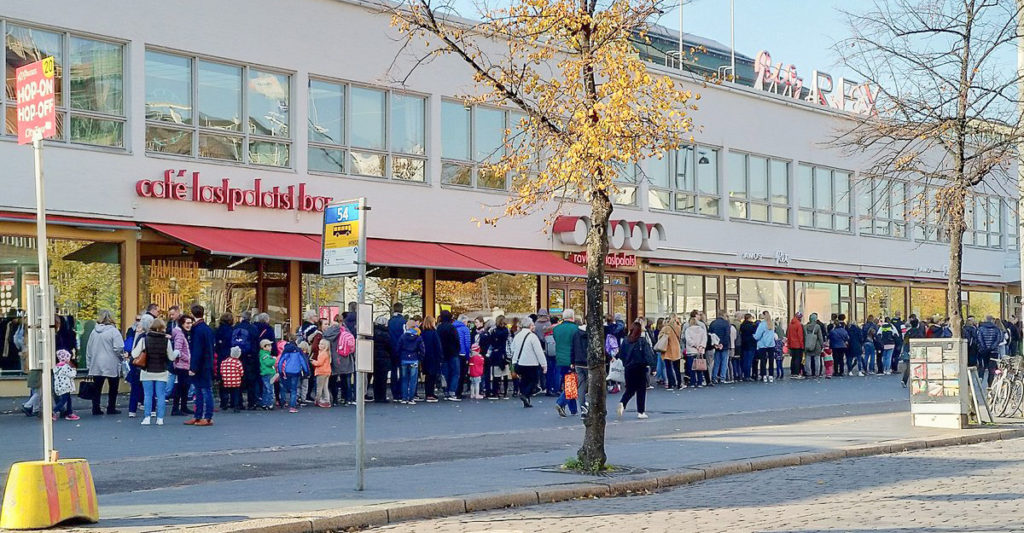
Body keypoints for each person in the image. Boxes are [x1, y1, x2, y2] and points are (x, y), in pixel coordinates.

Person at [132, 318, 178, 426]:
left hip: (147, 371)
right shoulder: (166, 341)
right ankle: (160, 419)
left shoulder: (144, 339)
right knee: (161, 395)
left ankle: (147, 417)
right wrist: (177, 352)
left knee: (148, 395)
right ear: (162, 328)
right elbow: (171, 357)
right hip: (161, 371)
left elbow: (134, 354)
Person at [85, 309, 125, 416]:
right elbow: (119, 347)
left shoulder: (94, 332)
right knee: (113, 387)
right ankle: (111, 407)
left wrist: (89, 364)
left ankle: (96, 408)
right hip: (111, 362)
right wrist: (121, 357)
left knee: (97, 388)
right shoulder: (114, 331)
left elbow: (89, 349)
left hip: (96, 363)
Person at [617, 320, 657, 419]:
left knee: (630, 389)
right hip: (640, 367)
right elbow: (648, 355)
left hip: (628, 368)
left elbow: (621, 354)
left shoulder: (626, 341)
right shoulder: (642, 341)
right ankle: (641, 411)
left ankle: (623, 402)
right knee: (641, 390)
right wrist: (652, 366)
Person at [186, 305, 216, 426]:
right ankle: (199, 415)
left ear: (192, 314)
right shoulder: (206, 328)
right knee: (201, 390)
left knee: (204, 390)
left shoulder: (197, 330)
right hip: (206, 363)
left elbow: (197, 350)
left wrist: (193, 367)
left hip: (201, 365)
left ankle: (206, 417)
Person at [511, 316, 547, 408]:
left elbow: (513, 349)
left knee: (524, 380)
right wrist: (543, 364)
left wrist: (514, 361)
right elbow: (538, 352)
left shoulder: (517, 336)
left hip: (519, 362)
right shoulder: (532, 337)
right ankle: (526, 395)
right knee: (533, 381)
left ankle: (525, 398)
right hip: (531, 363)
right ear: (530, 325)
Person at [277, 339, 310, 413]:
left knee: (284, 387)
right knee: (294, 389)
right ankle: (292, 407)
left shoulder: (286, 350)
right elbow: (303, 362)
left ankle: (283, 402)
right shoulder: (298, 351)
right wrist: (306, 372)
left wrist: (280, 371)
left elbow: (281, 361)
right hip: (296, 371)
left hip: (287, 371)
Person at [169, 315, 193, 416]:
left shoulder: (182, 333)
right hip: (181, 365)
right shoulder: (180, 335)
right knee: (181, 387)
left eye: (190, 323)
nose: (189, 325)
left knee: (183, 387)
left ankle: (183, 407)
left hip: (182, 365)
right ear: (182, 323)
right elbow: (177, 350)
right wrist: (187, 358)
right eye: (187, 323)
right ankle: (177, 408)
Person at [396, 319, 425, 404]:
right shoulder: (418, 337)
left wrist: (399, 357)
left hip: (404, 359)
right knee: (413, 380)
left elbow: (398, 348)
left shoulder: (403, 336)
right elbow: (422, 349)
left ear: (407, 326)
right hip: (414, 359)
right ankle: (411, 398)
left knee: (404, 379)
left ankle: (404, 398)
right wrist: (420, 358)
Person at [437, 310, 462, 401]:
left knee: (445, 373)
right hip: (453, 353)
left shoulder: (439, 328)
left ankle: (446, 391)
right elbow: (456, 340)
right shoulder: (452, 328)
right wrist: (457, 350)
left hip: (443, 353)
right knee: (455, 373)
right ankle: (452, 391)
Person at [552, 309, 578, 395]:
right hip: (572, 359)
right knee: (571, 385)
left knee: (564, 379)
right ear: (572, 317)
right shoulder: (576, 329)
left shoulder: (556, 329)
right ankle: (563, 403)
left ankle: (559, 393)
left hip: (560, 358)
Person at [214, 312, 235, 409]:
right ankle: (233, 400)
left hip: (221, 356)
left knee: (222, 378)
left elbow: (216, 345)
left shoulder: (218, 330)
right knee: (232, 378)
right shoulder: (232, 330)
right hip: (231, 356)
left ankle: (224, 401)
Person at [52, 349, 79, 421]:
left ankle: (69, 412)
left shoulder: (56, 367)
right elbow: (72, 375)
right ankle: (54, 411)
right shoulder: (66, 367)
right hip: (66, 386)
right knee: (64, 400)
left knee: (68, 399)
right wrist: (73, 368)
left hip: (60, 386)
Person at [488, 316, 511, 399]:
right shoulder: (506, 330)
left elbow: (491, 342)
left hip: (496, 354)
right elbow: (509, 341)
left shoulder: (493, 330)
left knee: (496, 375)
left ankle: (495, 392)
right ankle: (505, 392)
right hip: (504, 354)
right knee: (505, 374)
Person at [977, 315, 1003, 386]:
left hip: (984, 351)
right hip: (994, 351)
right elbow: (999, 339)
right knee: (992, 369)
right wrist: (992, 347)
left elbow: (979, 338)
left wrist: (984, 347)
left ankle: (980, 379)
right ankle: (990, 385)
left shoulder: (981, 328)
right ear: (992, 320)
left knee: (983, 366)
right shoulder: (996, 329)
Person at [684, 313, 708, 387]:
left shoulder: (688, 330)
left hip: (691, 351)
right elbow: (704, 339)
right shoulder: (702, 330)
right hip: (700, 351)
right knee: (700, 367)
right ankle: (700, 382)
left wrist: (695, 345)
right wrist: (701, 346)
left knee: (692, 368)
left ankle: (693, 382)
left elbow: (688, 340)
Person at [660, 315, 683, 389]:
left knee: (668, 367)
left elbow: (660, 337)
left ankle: (670, 384)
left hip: (667, 348)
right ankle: (679, 384)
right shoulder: (678, 327)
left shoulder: (666, 328)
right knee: (677, 368)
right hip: (676, 348)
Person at [902, 316, 925, 387]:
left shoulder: (908, 332)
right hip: (918, 350)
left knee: (908, 366)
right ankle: (918, 381)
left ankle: (904, 380)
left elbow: (905, 342)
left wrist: (905, 350)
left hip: (909, 350)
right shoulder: (919, 332)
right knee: (919, 366)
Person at [709, 311, 731, 384]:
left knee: (716, 362)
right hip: (724, 345)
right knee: (724, 362)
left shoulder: (713, 323)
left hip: (715, 345)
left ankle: (714, 377)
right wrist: (722, 343)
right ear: (723, 315)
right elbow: (727, 335)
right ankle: (722, 377)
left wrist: (716, 344)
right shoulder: (726, 323)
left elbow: (710, 334)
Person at [754, 311, 777, 383]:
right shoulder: (772, 324)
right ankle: (771, 375)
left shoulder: (762, 325)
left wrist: (753, 336)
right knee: (771, 360)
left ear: (763, 316)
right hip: (771, 344)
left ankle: (763, 375)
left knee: (763, 361)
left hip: (762, 345)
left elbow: (757, 336)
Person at [220, 346, 245, 412]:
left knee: (226, 393)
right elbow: (241, 372)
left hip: (226, 381)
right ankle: (236, 406)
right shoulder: (238, 362)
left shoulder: (224, 361)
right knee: (236, 394)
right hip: (236, 381)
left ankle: (224, 404)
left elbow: (221, 370)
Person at [454, 314, 472, 398]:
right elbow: (467, 343)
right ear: (464, 321)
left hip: (454, 353)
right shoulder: (465, 329)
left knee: (455, 373)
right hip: (462, 353)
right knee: (462, 374)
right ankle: (459, 392)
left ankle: (452, 391)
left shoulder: (453, 327)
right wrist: (468, 356)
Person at [311, 339, 333, 407]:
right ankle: (327, 400)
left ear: (325, 346)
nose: (319, 345)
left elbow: (319, 363)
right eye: (319, 344)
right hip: (327, 372)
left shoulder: (322, 353)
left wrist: (313, 362)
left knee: (319, 388)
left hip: (321, 372)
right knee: (325, 387)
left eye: (321, 344)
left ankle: (317, 400)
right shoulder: (327, 353)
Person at [804, 313, 824, 378]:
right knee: (817, 359)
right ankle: (817, 373)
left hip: (807, 344)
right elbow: (820, 337)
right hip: (816, 345)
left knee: (808, 359)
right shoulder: (817, 326)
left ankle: (808, 373)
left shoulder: (805, 327)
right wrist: (822, 345)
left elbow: (804, 337)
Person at [258, 339, 277, 409]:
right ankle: (269, 404)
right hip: (268, 373)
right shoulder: (265, 355)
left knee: (265, 389)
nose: (271, 347)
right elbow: (269, 363)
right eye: (269, 346)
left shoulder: (263, 354)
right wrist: (274, 359)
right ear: (264, 347)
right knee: (270, 390)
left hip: (265, 374)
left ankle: (264, 403)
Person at [739, 314, 757, 382]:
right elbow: (755, 335)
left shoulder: (742, 325)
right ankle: (748, 376)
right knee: (749, 361)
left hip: (744, 344)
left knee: (745, 360)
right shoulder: (752, 325)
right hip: (751, 344)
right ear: (750, 318)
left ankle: (744, 375)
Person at [787, 312, 805, 378]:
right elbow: (800, 336)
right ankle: (797, 373)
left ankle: (792, 372)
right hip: (798, 345)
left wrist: (788, 344)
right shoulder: (798, 324)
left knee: (793, 359)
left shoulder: (790, 324)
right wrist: (802, 345)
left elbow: (788, 335)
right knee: (798, 359)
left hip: (792, 344)